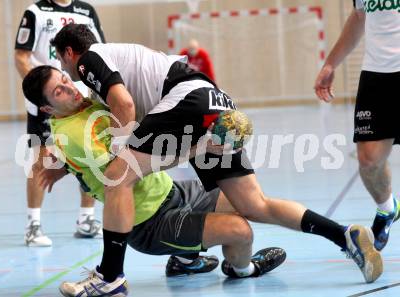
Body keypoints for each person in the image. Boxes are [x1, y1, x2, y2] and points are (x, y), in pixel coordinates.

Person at [49, 24, 383, 295]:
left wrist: (123, 152)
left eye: (62, 65)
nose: (66, 72)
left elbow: (124, 104)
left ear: (68, 52)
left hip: (186, 99)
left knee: (118, 176)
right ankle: (344, 235)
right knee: (255, 204)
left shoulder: (89, 58)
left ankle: (110, 277)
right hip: (213, 100)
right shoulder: (122, 55)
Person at [22, 65, 287, 296]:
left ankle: (184, 261)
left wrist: (66, 167)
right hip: (149, 222)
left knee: (245, 202)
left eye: (65, 80)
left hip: (170, 192)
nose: (70, 88)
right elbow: (130, 169)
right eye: (59, 91)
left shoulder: (79, 108)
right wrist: (199, 147)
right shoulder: (76, 132)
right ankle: (243, 269)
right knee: (241, 232)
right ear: (46, 108)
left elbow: (88, 157)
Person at [14, 0, 106, 246]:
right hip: (48, 101)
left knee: (89, 153)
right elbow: (21, 56)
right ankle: (33, 225)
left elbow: (100, 52)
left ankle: (86, 219)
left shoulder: (86, 12)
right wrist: (40, 92)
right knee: (41, 157)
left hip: (79, 97)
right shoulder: (36, 12)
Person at [314, 0, 400, 252]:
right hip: (377, 75)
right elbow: (359, 16)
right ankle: (387, 209)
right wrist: (330, 63)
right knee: (369, 161)